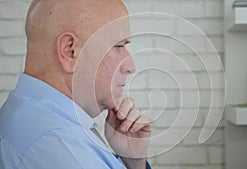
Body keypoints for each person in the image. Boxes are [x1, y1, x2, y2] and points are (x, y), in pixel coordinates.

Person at [0, 0, 151, 169]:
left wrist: (134, 162)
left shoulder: (24, 113)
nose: (131, 67)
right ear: (70, 51)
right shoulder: (62, 147)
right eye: (119, 46)